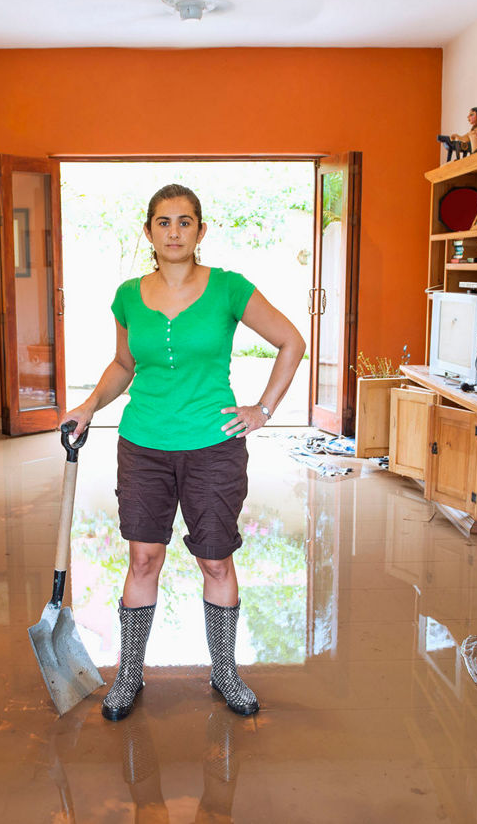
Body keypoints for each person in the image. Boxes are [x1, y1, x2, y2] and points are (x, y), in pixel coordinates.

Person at [61, 183, 305, 721]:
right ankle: (129, 675)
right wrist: (88, 406)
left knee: (215, 559)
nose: (174, 231)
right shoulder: (128, 295)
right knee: (143, 557)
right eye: (164, 222)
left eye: (185, 221)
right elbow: (124, 365)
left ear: (201, 230)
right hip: (143, 445)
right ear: (148, 231)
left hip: (213, 449)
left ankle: (224, 672)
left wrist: (262, 408)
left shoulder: (229, 289)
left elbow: (292, 340)